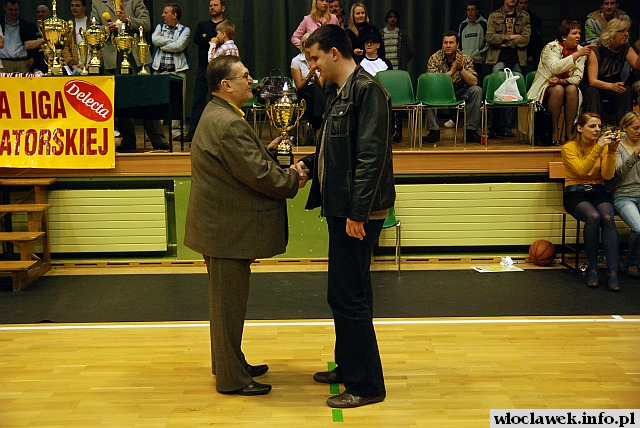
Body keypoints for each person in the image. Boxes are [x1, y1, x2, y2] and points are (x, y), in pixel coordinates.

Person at [184, 55, 301, 396]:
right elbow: (260, 175)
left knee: (225, 307)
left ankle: (228, 364)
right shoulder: (229, 123)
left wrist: (263, 149)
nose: (252, 81)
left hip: (220, 228)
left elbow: (237, 161)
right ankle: (232, 379)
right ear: (226, 85)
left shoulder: (218, 113)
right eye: (245, 76)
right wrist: (294, 177)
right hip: (226, 231)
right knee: (228, 308)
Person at [294, 24, 395, 409]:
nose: (312, 66)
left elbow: (371, 156)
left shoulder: (368, 91)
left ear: (335, 53)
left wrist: (358, 212)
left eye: (315, 58)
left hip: (357, 210)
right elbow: (332, 147)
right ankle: (349, 365)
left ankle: (366, 385)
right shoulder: (339, 92)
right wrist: (308, 164)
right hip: (344, 207)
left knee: (348, 294)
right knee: (347, 292)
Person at [561, 112, 620, 291]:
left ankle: (613, 272)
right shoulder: (569, 148)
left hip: (597, 190)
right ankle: (593, 269)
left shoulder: (603, 147)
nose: (597, 130)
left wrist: (612, 152)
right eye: (592, 126)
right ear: (580, 128)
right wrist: (598, 148)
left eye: (599, 127)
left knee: (607, 216)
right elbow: (581, 171)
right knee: (593, 216)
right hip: (575, 192)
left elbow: (607, 176)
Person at [91, 0, 153, 152]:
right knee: (120, 99)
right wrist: (106, 28)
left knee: (148, 97)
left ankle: (158, 140)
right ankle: (128, 141)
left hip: (136, 55)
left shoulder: (135, 1)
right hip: (113, 56)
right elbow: (93, 29)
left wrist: (127, 20)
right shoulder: (97, 3)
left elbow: (146, 24)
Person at [527, 20, 592, 145]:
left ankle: (569, 132)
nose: (578, 36)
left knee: (572, 89)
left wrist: (561, 80)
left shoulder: (581, 51)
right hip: (546, 84)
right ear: (564, 36)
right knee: (558, 89)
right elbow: (555, 68)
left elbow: (577, 78)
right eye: (574, 33)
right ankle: (553, 131)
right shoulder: (551, 47)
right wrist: (576, 55)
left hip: (566, 84)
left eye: (579, 33)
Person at [423, 31, 483, 144]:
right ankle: (433, 131)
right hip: (439, 92)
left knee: (476, 90)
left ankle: (470, 131)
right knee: (428, 91)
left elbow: (473, 82)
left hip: (459, 91)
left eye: (451, 43)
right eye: (445, 43)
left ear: (457, 44)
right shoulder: (435, 58)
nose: (448, 45)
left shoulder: (465, 58)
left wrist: (460, 69)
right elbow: (433, 83)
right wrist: (451, 72)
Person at [485, 0, 530, 138]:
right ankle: (493, 126)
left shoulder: (524, 16)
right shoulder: (494, 15)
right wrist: (510, 37)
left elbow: (525, 39)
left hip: (517, 59)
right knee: (496, 91)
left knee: (513, 93)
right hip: (498, 58)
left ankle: (506, 127)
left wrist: (503, 42)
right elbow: (490, 38)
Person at [583, 18, 640, 126]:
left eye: (627, 31)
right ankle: (593, 126)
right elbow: (592, 81)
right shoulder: (596, 50)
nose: (626, 34)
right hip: (596, 85)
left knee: (626, 90)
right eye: (622, 31)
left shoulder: (625, 48)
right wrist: (611, 86)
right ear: (612, 33)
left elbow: (637, 65)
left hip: (613, 84)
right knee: (592, 92)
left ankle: (623, 128)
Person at [184, 0, 225, 143]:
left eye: (215, 5)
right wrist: (211, 40)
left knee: (220, 101)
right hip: (203, 68)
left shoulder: (225, 25)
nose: (212, 7)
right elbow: (197, 39)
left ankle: (219, 134)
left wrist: (207, 38)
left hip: (220, 70)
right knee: (198, 101)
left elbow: (226, 41)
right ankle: (192, 133)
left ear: (223, 8)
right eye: (210, 5)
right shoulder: (202, 25)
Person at [151, 3, 191, 142]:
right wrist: (171, 40)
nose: (162, 15)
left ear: (174, 15)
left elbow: (179, 46)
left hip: (177, 71)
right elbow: (154, 40)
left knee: (178, 103)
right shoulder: (159, 27)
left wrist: (163, 43)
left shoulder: (185, 30)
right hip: (159, 71)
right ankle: (156, 133)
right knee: (157, 102)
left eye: (166, 12)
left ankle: (177, 132)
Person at [612, 111, 640, 279]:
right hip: (624, 195)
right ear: (625, 128)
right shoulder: (617, 148)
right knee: (638, 228)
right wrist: (635, 156)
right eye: (635, 128)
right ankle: (630, 262)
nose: (639, 131)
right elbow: (619, 174)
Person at [290, 32, 325, 137]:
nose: (309, 45)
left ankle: (315, 125)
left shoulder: (320, 60)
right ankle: (317, 125)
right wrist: (309, 76)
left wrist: (315, 76)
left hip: (316, 92)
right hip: (301, 92)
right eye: (306, 42)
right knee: (313, 91)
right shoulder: (296, 61)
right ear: (302, 45)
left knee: (316, 90)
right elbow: (299, 86)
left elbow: (321, 85)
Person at [0, 0, 45, 74]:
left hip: (22, 63)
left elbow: (37, 47)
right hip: (3, 63)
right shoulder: (0, 24)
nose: (13, 12)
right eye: (10, 10)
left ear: (19, 9)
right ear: (5, 9)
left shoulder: (27, 25)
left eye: (16, 10)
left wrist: (33, 58)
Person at [458, 0, 488, 79]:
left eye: (472, 10)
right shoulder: (463, 25)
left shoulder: (483, 24)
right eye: (468, 10)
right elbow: (459, 42)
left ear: (477, 11)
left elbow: (488, 40)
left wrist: (480, 52)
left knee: (476, 82)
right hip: (465, 60)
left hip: (478, 60)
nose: (470, 12)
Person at [518, 0, 543, 70]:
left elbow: (538, 39)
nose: (523, 5)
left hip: (529, 53)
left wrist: (533, 55)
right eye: (521, 3)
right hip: (516, 54)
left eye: (525, 3)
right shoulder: (514, 18)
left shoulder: (534, 19)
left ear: (529, 4)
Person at [66, 0, 90, 74]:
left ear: (84, 8)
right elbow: (65, 48)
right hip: (75, 67)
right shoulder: (68, 25)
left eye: (77, 6)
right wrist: (73, 65)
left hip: (91, 66)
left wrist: (91, 64)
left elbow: (99, 47)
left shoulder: (91, 23)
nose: (74, 8)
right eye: (72, 6)